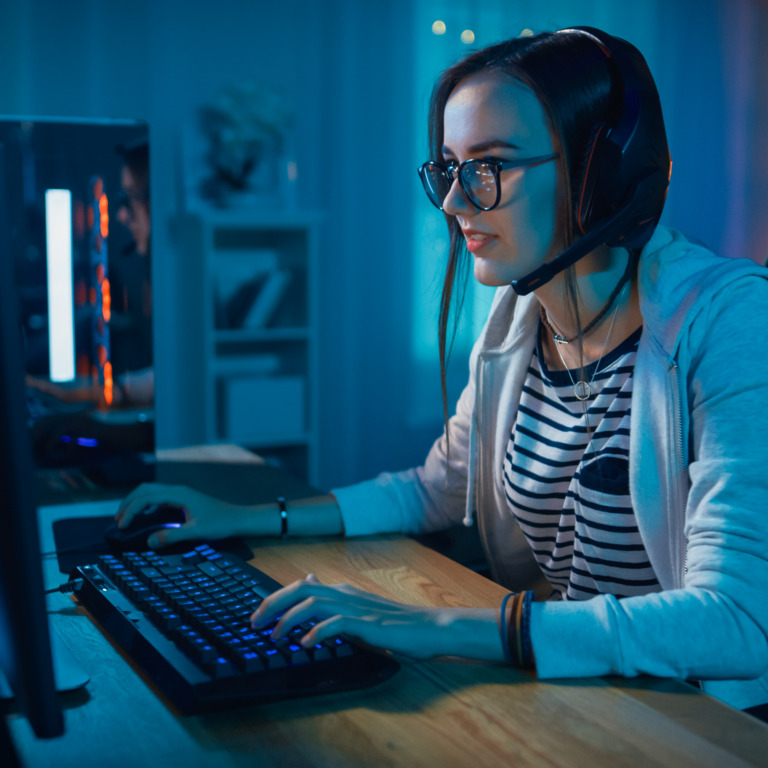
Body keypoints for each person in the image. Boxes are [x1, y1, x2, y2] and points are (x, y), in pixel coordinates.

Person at [116, 28, 768, 717]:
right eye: (450, 169)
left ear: (600, 170)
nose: (455, 204)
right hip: (591, 695)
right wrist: (247, 517)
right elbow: (435, 488)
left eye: (488, 167)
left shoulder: (731, 321)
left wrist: (430, 626)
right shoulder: (516, 321)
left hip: (703, 722)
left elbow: (738, 620)